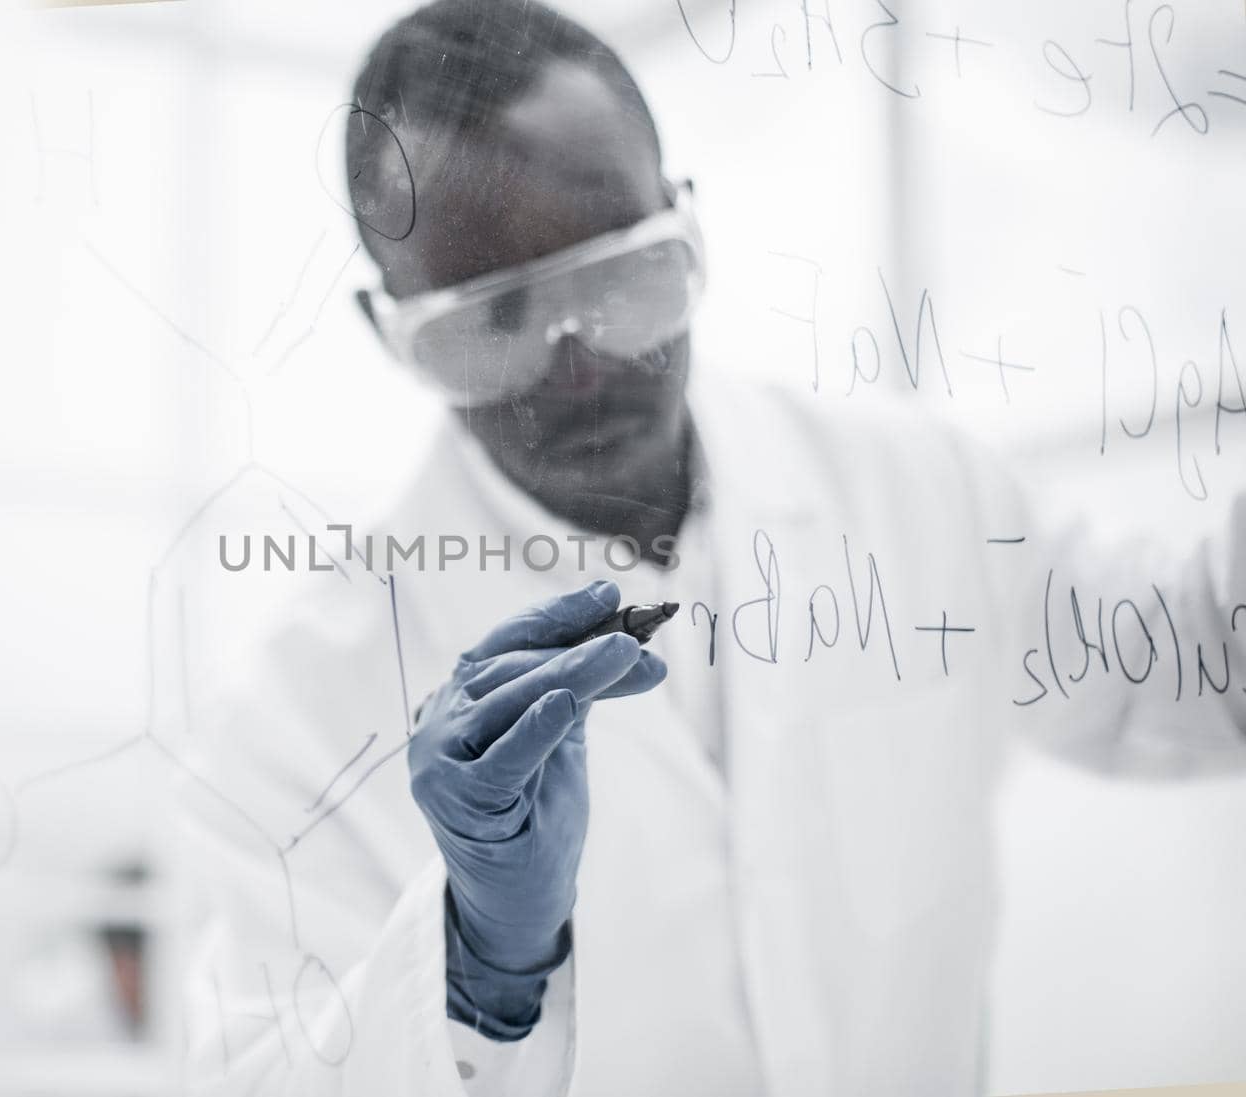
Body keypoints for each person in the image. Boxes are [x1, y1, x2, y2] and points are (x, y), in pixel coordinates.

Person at [172, 3, 1246, 1094]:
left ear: (686, 223)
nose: (578, 363)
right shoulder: (290, 716)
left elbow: (1197, 663)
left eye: (621, 272)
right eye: (493, 321)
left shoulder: (916, 489)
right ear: (389, 329)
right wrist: (479, 965)